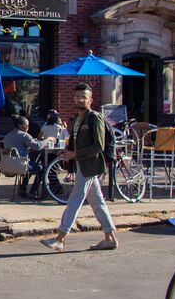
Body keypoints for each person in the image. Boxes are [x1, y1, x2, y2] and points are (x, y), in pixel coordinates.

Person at [40, 83, 119, 252]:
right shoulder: (76, 119)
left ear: (91, 99)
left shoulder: (94, 118)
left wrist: (75, 154)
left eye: (84, 97)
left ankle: (60, 238)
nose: (80, 99)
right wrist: (67, 150)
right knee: (98, 203)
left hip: (90, 166)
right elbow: (76, 143)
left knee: (75, 200)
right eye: (77, 96)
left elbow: (99, 145)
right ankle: (110, 237)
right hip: (82, 165)